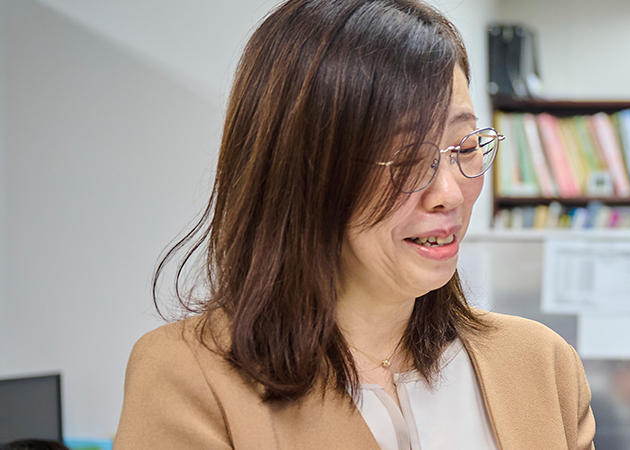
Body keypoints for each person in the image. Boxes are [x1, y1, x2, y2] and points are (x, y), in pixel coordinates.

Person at [114, 1, 593, 448]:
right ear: (304, 170)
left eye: (465, 147)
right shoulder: (189, 377)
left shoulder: (541, 365)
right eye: (407, 159)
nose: (449, 193)